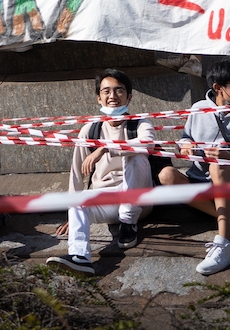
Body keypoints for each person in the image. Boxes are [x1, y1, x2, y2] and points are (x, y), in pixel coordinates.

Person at [158, 55, 230, 276]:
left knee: (218, 164)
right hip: (200, 183)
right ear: (218, 88)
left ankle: (225, 242)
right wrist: (185, 145)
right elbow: (185, 137)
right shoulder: (199, 109)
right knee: (166, 175)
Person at [49, 69, 155, 276]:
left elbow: (148, 144)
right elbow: (76, 173)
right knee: (81, 200)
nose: (112, 96)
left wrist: (105, 148)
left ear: (129, 96)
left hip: (139, 201)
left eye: (119, 91)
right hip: (106, 199)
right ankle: (80, 257)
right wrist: (75, 214)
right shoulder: (90, 130)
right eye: (106, 91)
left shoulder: (140, 123)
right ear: (99, 97)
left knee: (137, 155)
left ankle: (128, 223)